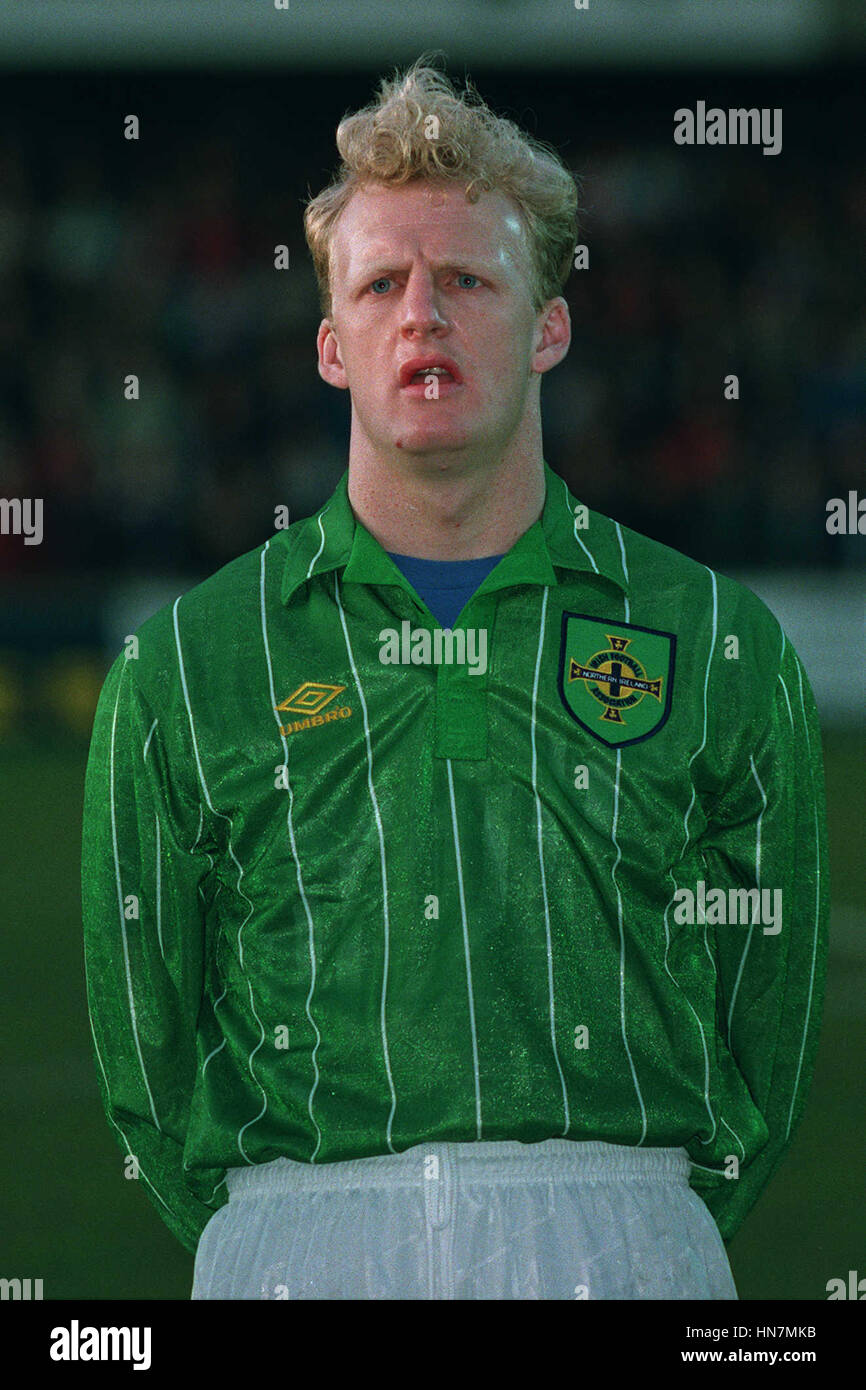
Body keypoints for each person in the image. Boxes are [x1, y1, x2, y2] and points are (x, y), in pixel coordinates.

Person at [82, 61, 829, 1300]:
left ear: (547, 325)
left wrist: (630, 1230)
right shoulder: (185, 666)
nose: (421, 315)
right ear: (331, 345)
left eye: (467, 280)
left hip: (622, 1246)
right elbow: (144, 1058)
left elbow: (769, 1025)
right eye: (381, 284)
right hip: (297, 1250)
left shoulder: (718, 642)